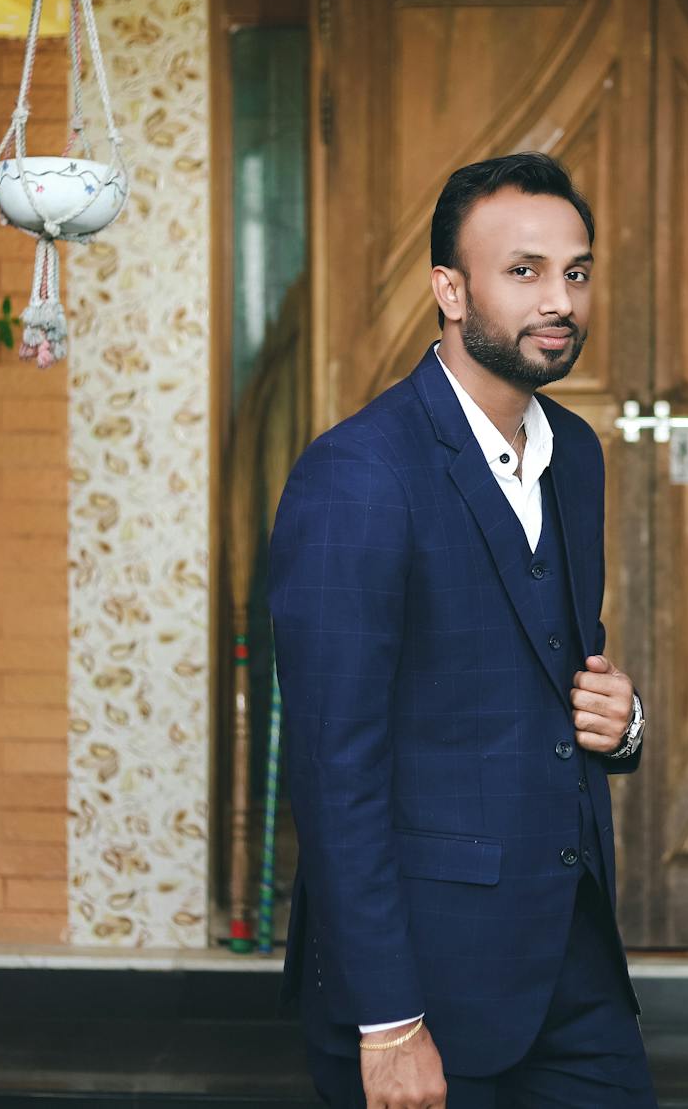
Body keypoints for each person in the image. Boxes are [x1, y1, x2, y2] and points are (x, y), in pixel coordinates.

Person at [268, 151, 654, 1108]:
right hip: (420, 985)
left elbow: (553, 674)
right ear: (450, 290)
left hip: (572, 964)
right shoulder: (357, 474)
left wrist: (624, 723)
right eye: (524, 270)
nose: (559, 300)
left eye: (576, 270)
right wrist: (389, 1019)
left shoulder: (577, 455)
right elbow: (332, 769)